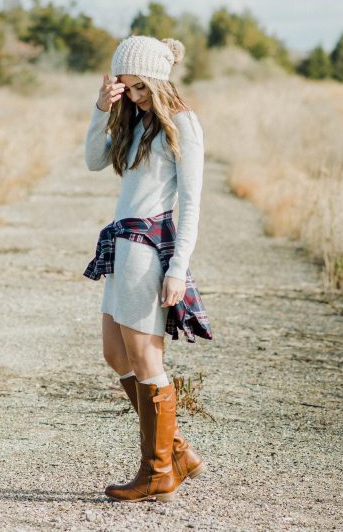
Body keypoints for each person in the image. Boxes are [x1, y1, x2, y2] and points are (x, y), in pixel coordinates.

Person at [82, 35, 212, 502]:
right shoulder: (135, 121)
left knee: (145, 360)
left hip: (147, 247)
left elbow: (192, 204)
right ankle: (176, 450)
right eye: (126, 87)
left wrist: (178, 269)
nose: (133, 96)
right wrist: (102, 108)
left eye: (140, 87)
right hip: (121, 244)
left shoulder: (183, 124)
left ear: (158, 81)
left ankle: (158, 471)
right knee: (116, 357)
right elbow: (94, 160)